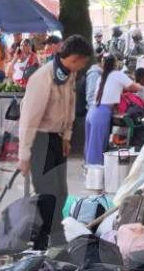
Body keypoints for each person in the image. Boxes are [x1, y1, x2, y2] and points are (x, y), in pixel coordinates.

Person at [17, 35, 93, 250]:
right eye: (84, 61)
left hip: (57, 140)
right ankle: (40, 245)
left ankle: (57, 238)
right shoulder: (43, 77)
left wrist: (67, 137)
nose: (84, 66)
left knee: (61, 193)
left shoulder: (69, 74)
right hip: (39, 139)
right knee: (46, 195)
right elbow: (29, 119)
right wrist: (24, 155)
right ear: (76, 58)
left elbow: (69, 107)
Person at [85, 55, 144, 167]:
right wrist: (142, 86)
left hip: (92, 111)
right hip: (102, 113)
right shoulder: (117, 74)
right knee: (98, 147)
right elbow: (134, 87)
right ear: (115, 64)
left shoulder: (102, 76)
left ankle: (90, 174)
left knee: (90, 146)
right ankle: (96, 177)